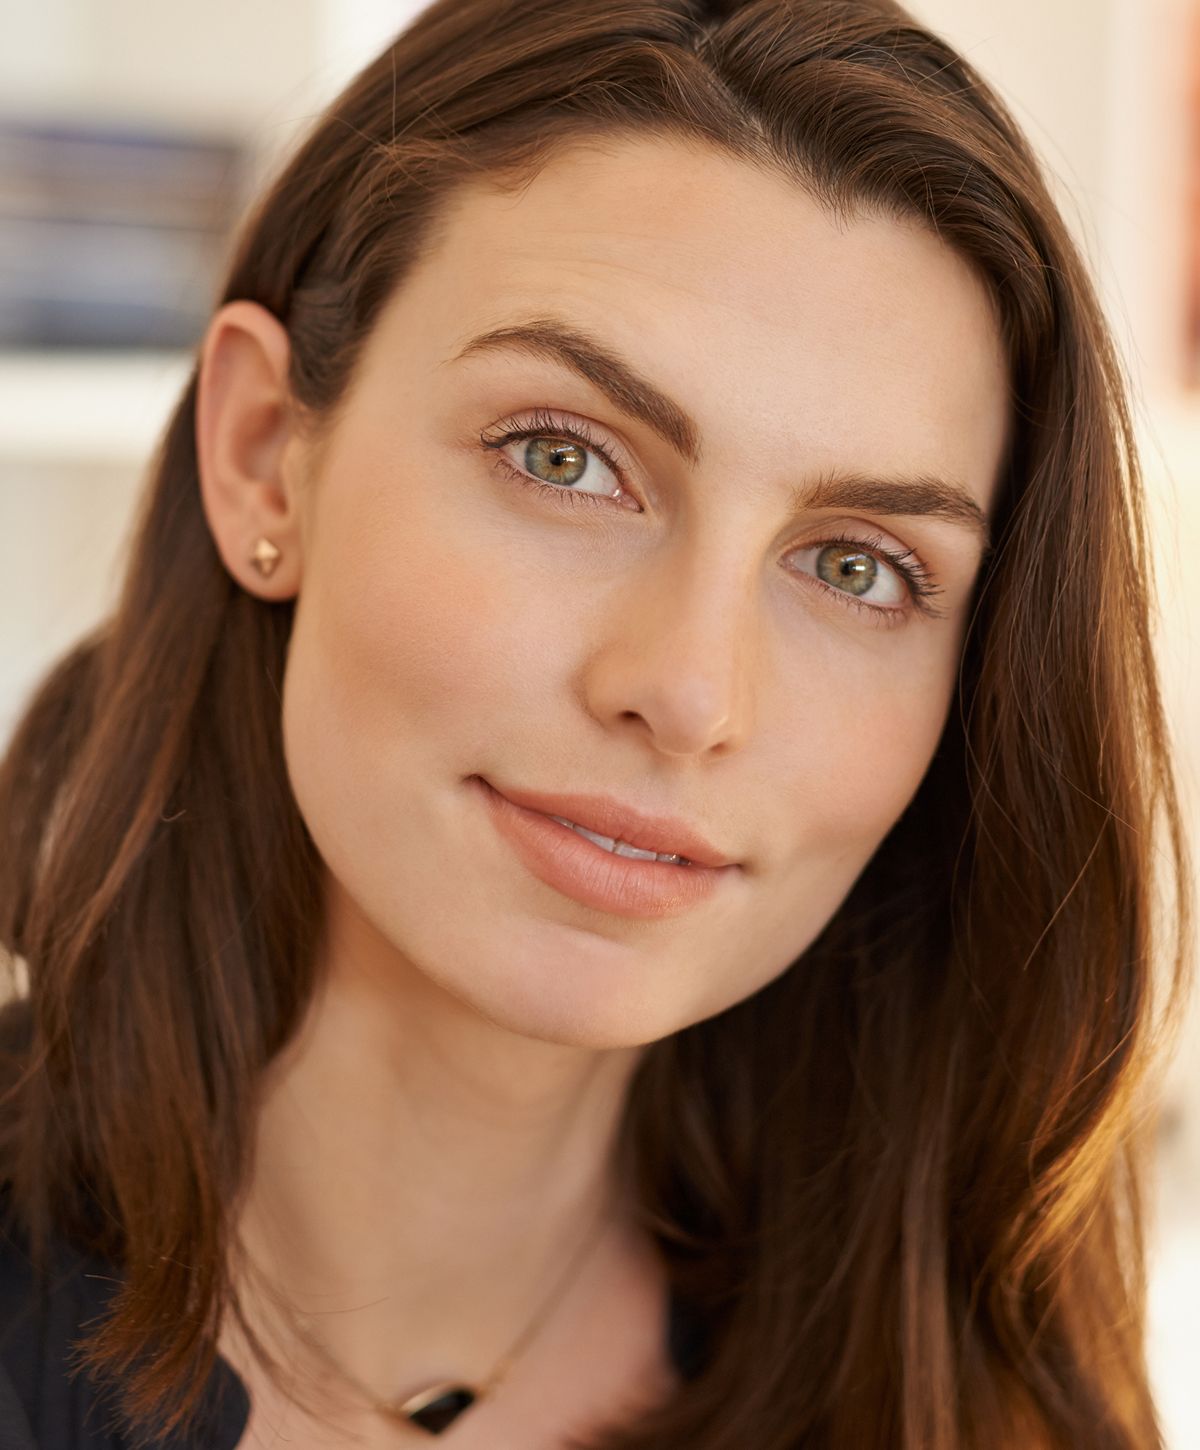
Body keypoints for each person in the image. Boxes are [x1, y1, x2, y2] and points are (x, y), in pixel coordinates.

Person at [0, 0, 1192, 1446]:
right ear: (265, 457)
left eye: (856, 566)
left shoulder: (972, 1391)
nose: (690, 692)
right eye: (563, 459)